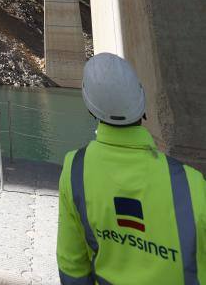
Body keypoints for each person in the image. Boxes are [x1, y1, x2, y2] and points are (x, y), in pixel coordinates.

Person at [57, 52, 206, 284]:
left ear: (90, 106)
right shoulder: (193, 184)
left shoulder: (75, 170)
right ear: (141, 100)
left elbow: (71, 266)